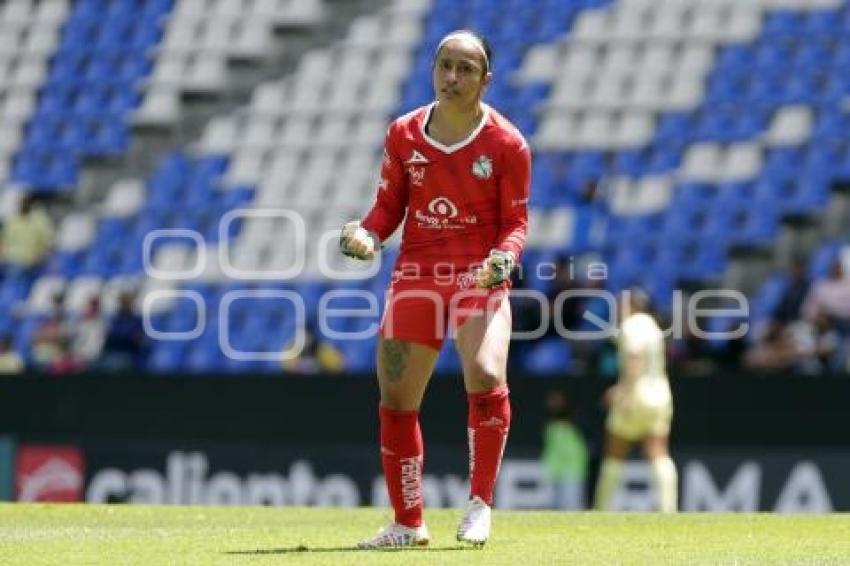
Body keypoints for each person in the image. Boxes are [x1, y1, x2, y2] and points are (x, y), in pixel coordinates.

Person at [339, 29, 530, 548]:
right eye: (445, 64)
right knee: (397, 395)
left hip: (477, 274)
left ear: (486, 80)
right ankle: (408, 523)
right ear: (433, 70)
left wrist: (504, 259)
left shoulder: (507, 144)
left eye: (466, 68)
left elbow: (516, 222)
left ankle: (480, 503)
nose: (453, 76)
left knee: (486, 372)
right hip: (417, 275)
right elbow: (388, 207)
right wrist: (366, 233)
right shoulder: (403, 133)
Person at [594, 289, 677, 513]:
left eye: (622, 304)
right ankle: (668, 509)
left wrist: (625, 392)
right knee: (658, 451)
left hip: (636, 395)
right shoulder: (653, 327)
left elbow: (634, 357)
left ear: (631, 305)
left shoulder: (632, 326)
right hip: (660, 396)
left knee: (614, 451)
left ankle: (602, 508)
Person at [541, 390, 588, 510]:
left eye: (557, 400)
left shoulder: (576, 424)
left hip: (573, 471)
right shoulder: (549, 425)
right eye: (551, 401)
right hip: (553, 471)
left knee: (571, 506)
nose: (553, 404)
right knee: (554, 507)